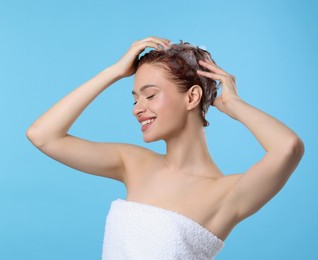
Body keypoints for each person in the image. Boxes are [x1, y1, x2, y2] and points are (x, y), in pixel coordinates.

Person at [26, 36, 304, 259]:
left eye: (150, 95)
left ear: (192, 97)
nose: (138, 109)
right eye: (135, 99)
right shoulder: (133, 163)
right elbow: (43, 135)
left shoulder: (227, 194)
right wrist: (114, 72)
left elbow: (288, 147)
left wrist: (233, 104)